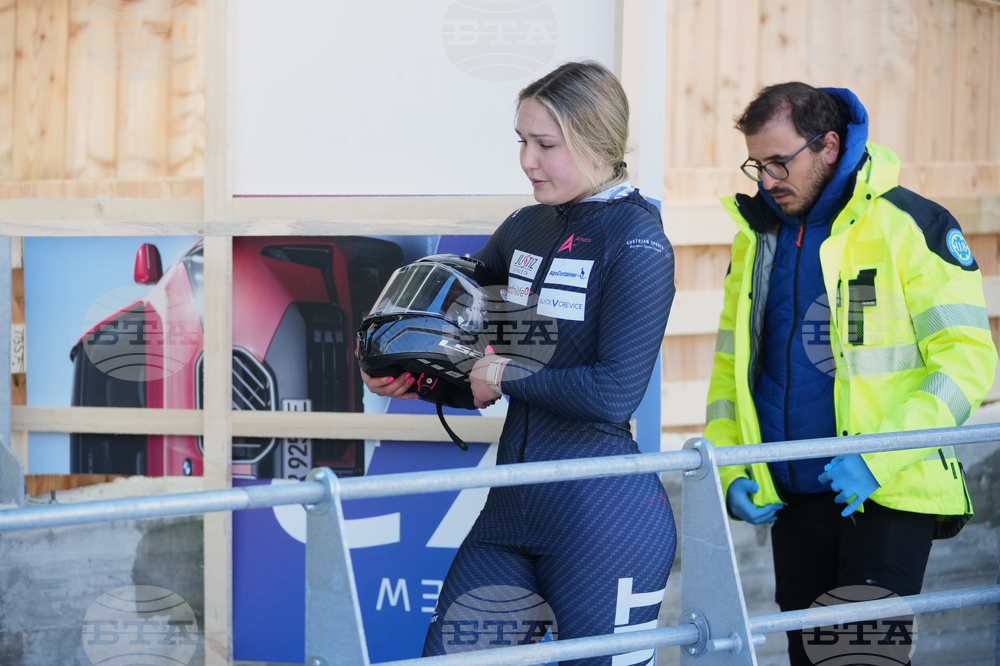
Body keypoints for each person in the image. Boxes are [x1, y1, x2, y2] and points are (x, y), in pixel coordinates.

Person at [362, 61, 677, 664]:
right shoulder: (526, 226)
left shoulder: (638, 244)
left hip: (604, 520)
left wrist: (502, 374)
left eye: (545, 145)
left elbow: (613, 394)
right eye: (522, 142)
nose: (527, 160)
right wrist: (415, 373)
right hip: (511, 510)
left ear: (598, 141)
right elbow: (465, 335)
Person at [705, 81, 998, 665]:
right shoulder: (758, 239)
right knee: (809, 660)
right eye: (756, 164)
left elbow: (967, 362)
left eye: (779, 162)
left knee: (858, 661)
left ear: (830, 146)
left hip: (890, 491)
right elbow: (733, 367)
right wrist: (728, 464)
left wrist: (876, 456)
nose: (766, 180)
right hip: (793, 496)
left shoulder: (911, 225)